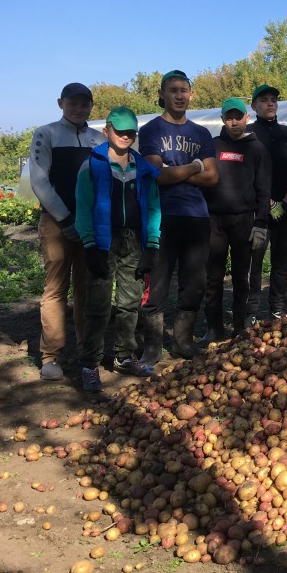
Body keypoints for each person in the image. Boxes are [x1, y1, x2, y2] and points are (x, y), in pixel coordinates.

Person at [74, 107, 160, 391]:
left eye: (130, 132)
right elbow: (84, 207)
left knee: (130, 302)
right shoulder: (93, 164)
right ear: (107, 131)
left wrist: (152, 244)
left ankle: (124, 356)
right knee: (98, 305)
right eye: (119, 131)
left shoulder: (142, 168)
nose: (125, 136)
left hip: (133, 240)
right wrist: (90, 246)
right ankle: (89, 364)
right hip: (103, 241)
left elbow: (153, 207)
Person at [138, 70, 218, 361]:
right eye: (173, 90)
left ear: (191, 95)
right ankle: (152, 346)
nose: (179, 95)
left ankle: (183, 341)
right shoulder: (151, 130)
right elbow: (156, 175)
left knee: (194, 283)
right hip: (162, 216)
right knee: (157, 282)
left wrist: (174, 171)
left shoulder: (201, 133)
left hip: (196, 216)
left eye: (184, 90)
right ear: (162, 94)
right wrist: (195, 167)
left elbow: (212, 177)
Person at [28, 82, 105, 381]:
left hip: (89, 226)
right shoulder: (46, 133)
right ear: (61, 103)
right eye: (73, 103)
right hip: (56, 224)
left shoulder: (97, 139)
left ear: (91, 106)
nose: (79, 108)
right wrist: (65, 218)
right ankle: (51, 356)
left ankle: (87, 352)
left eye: (84, 104)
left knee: (87, 288)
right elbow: (40, 181)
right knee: (56, 288)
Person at [202, 98, 271, 342]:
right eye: (229, 118)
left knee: (241, 276)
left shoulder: (257, 149)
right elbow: (202, 181)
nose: (234, 122)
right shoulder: (213, 146)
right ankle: (214, 327)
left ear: (246, 118)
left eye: (238, 117)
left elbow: (263, 189)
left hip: (243, 221)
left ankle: (240, 326)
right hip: (215, 221)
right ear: (222, 119)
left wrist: (260, 223)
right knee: (213, 276)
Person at [246, 84, 287, 320]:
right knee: (255, 261)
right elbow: (247, 173)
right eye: (264, 100)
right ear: (254, 106)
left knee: (281, 261)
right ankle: (251, 310)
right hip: (258, 210)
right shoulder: (248, 134)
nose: (270, 103)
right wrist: (268, 203)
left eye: (273, 100)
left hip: (286, 207)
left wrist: (286, 201)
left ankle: (277, 307)